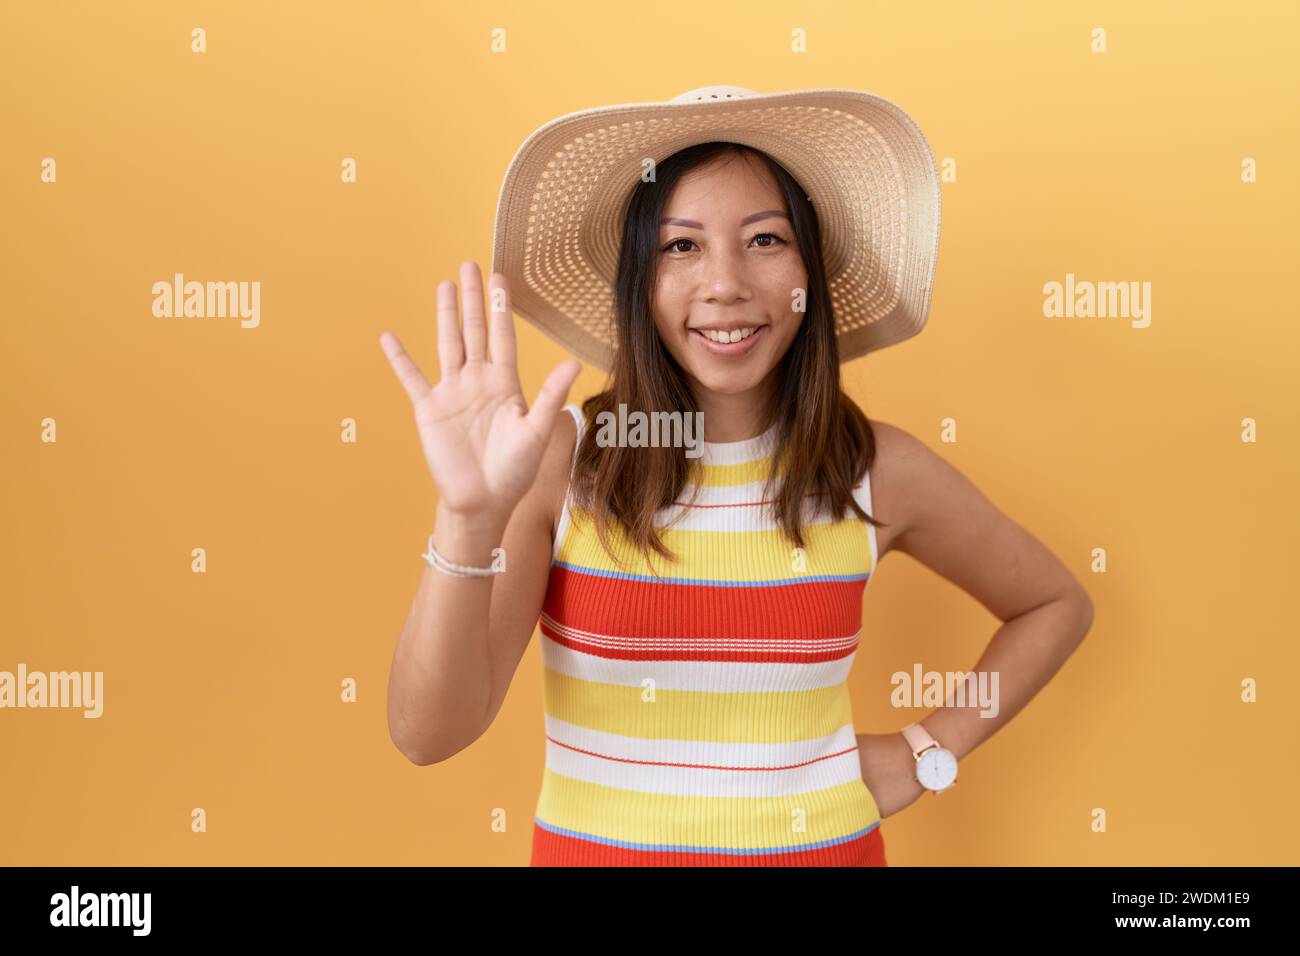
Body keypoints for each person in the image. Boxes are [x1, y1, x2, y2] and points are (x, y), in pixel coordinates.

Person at [379, 87, 1094, 866]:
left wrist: (931, 749)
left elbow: (1055, 604)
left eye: (765, 239)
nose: (725, 284)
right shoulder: (563, 461)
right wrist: (466, 517)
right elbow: (427, 734)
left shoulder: (878, 470)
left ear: (808, 277)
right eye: (681, 246)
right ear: (638, 285)